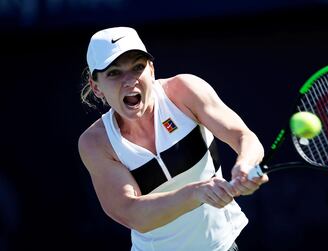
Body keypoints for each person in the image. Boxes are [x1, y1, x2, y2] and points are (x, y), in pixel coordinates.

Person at [78, 26, 268, 251]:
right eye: (114, 72)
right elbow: (133, 214)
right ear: (96, 87)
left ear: (151, 70)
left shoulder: (184, 91)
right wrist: (194, 193)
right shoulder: (96, 143)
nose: (129, 81)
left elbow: (243, 136)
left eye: (138, 67)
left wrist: (245, 164)